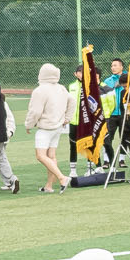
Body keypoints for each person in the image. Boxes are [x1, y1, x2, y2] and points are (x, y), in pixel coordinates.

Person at [26, 62, 74, 192]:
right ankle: (49, 186)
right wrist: (67, 118)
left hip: (45, 128)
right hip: (58, 127)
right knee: (51, 156)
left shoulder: (40, 90)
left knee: (40, 156)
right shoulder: (62, 88)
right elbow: (72, 101)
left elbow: (35, 111)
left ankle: (62, 178)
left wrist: (29, 124)